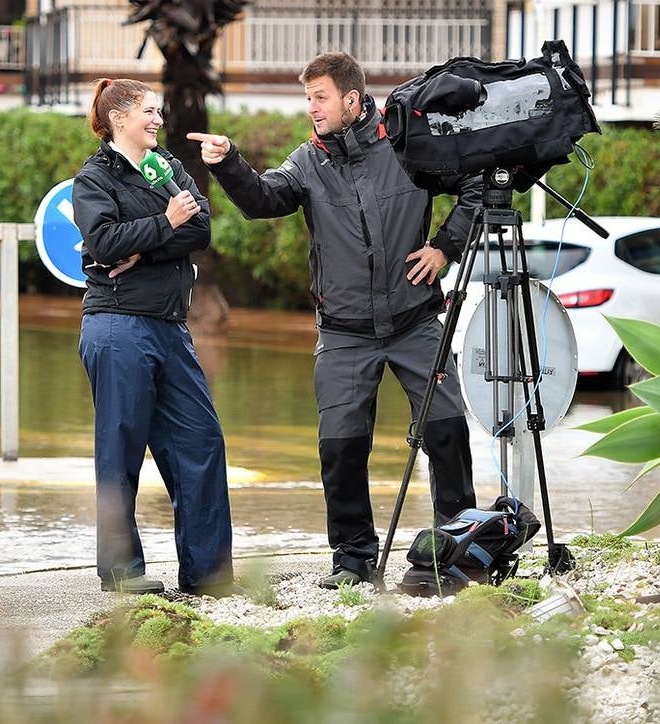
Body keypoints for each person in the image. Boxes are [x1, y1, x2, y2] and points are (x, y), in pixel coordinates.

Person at [189, 52, 481, 589]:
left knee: (447, 432)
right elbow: (263, 199)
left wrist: (444, 247)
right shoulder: (307, 160)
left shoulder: (407, 144)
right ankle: (353, 561)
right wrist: (227, 163)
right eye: (307, 99)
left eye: (319, 97)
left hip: (417, 322)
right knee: (341, 450)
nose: (311, 109)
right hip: (345, 334)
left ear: (351, 99)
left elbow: (476, 186)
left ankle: (457, 550)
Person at [72, 78, 234, 596]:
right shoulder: (94, 178)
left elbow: (201, 229)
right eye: (149, 111)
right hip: (116, 325)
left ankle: (208, 576)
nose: (158, 120)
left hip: (170, 325)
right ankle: (121, 573)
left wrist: (146, 241)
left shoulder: (168, 168)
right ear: (119, 118)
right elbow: (100, 241)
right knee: (120, 450)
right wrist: (164, 223)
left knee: (202, 443)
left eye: (158, 110)